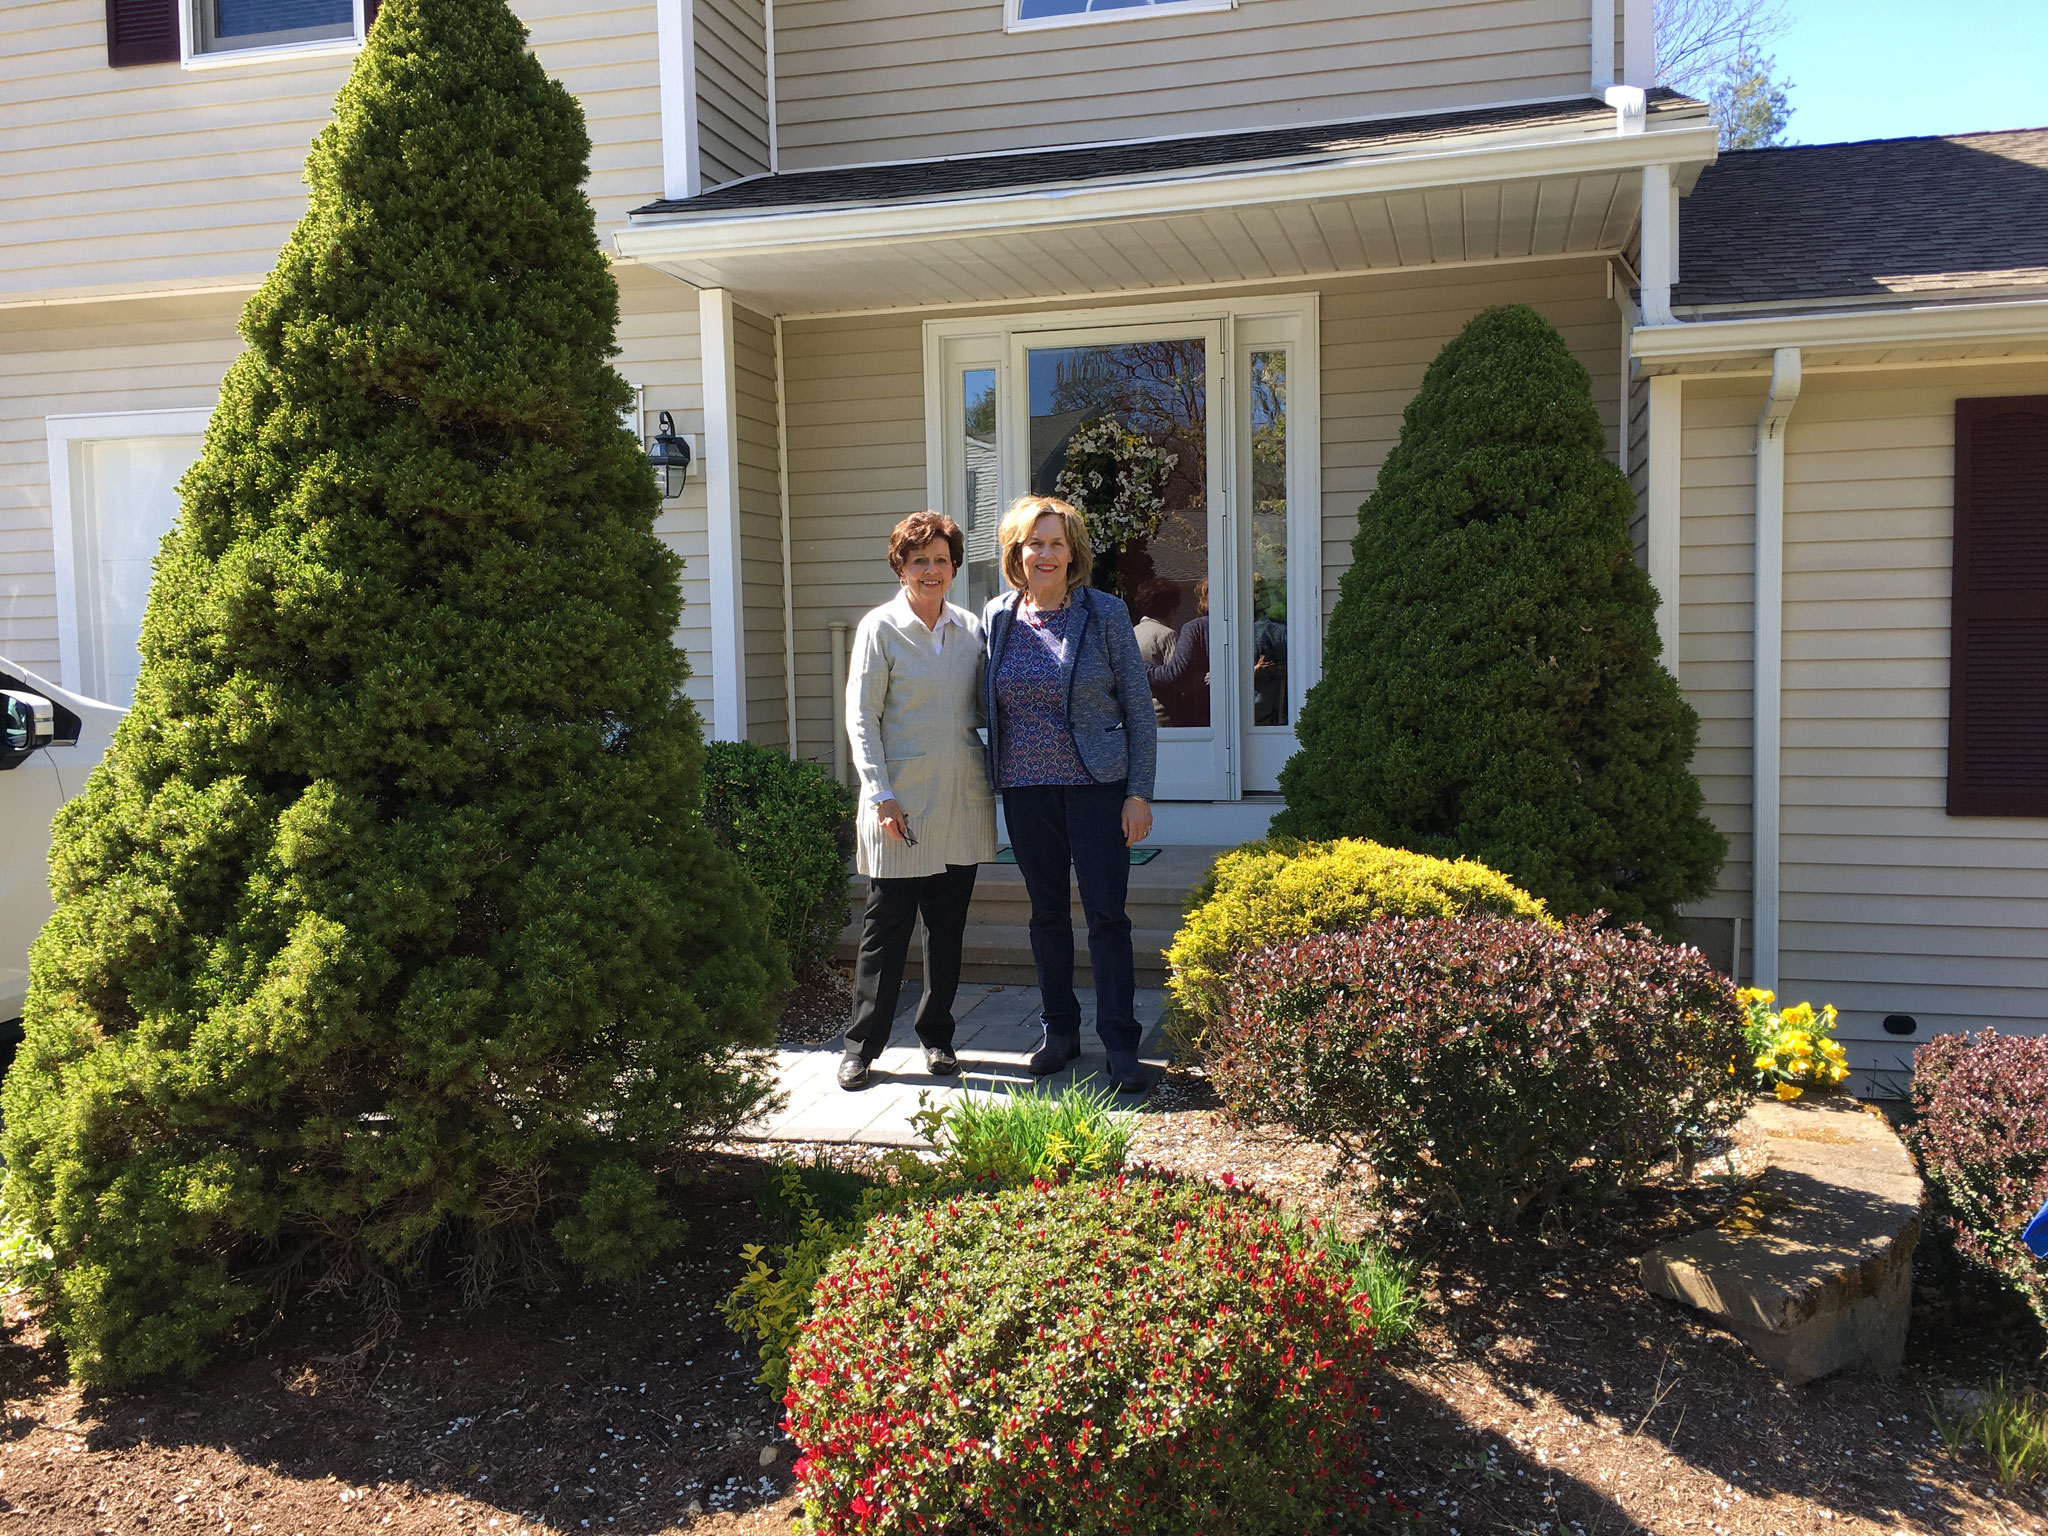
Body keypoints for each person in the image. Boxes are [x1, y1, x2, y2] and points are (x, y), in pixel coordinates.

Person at [982, 495, 1158, 1094]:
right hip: (1027, 791)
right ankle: (1059, 1032)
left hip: (1098, 789)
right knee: (1047, 915)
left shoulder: (1105, 613)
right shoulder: (997, 618)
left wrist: (1139, 793)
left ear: (1073, 552)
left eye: (1057, 542)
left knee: (1107, 915)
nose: (1046, 553)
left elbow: (1139, 709)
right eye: (1036, 542)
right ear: (1017, 551)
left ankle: (1120, 1040)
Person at [840, 511, 998, 1092]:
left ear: (954, 565)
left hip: (961, 795)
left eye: (940, 559)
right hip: (900, 804)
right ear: (900, 567)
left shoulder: (970, 629)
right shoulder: (880, 628)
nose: (931, 570)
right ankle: (862, 1044)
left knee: (947, 928)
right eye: (919, 560)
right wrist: (880, 793)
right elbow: (862, 718)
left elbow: (987, 709)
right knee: (887, 926)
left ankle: (937, 1036)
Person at [1147, 577, 1210, 727]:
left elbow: (1174, 672)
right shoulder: (1247, 627)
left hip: (1200, 714)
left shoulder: (1195, 628)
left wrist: (1141, 669)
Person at [1129, 576, 1181, 727]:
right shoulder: (1166, 634)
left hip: (1135, 712)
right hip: (1162, 715)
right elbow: (1176, 677)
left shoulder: (1131, 633)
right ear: (1171, 609)